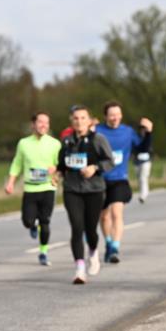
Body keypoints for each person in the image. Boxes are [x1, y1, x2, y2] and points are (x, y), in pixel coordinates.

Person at [57, 105, 114, 284]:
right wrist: (57, 174)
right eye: (76, 118)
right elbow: (62, 164)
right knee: (77, 227)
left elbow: (110, 161)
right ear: (71, 121)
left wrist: (95, 168)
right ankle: (80, 269)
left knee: (91, 229)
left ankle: (93, 252)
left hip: (94, 190)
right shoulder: (67, 141)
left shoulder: (99, 139)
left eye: (83, 118)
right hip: (72, 190)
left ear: (89, 121)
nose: (79, 121)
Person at [95, 101, 153, 263]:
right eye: (111, 115)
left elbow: (142, 148)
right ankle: (108, 242)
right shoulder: (98, 131)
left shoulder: (127, 132)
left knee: (116, 212)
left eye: (118, 114)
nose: (115, 118)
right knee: (104, 217)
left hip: (119, 179)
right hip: (100, 179)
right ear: (105, 116)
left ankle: (115, 247)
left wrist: (149, 132)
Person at [5, 112, 61, 266]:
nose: (44, 125)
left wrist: (56, 169)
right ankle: (32, 226)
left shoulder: (55, 144)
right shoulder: (23, 143)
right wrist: (10, 182)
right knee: (27, 221)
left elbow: (61, 164)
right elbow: (17, 164)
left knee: (45, 221)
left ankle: (43, 252)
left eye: (46, 122)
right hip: (30, 188)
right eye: (40, 122)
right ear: (33, 124)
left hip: (48, 187)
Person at [134, 120, 154, 204]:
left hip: (146, 161)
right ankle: (142, 192)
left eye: (144, 129)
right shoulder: (136, 138)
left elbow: (146, 147)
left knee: (143, 177)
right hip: (138, 161)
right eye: (142, 129)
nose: (143, 131)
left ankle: (144, 194)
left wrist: (148, 133)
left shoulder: (148, 137)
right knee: (139, 178)